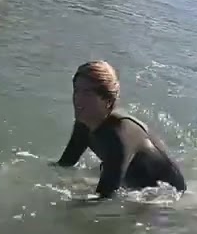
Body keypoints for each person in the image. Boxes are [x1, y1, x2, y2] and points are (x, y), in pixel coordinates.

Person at [53, 61, 187, 200]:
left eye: (87, 93)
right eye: (77, 90)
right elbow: (64, 165)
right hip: (129, 181)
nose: (78, 99)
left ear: (108, 99)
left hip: (166, 196)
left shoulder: (117, 134)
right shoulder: (85, 123)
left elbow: (104, 197)